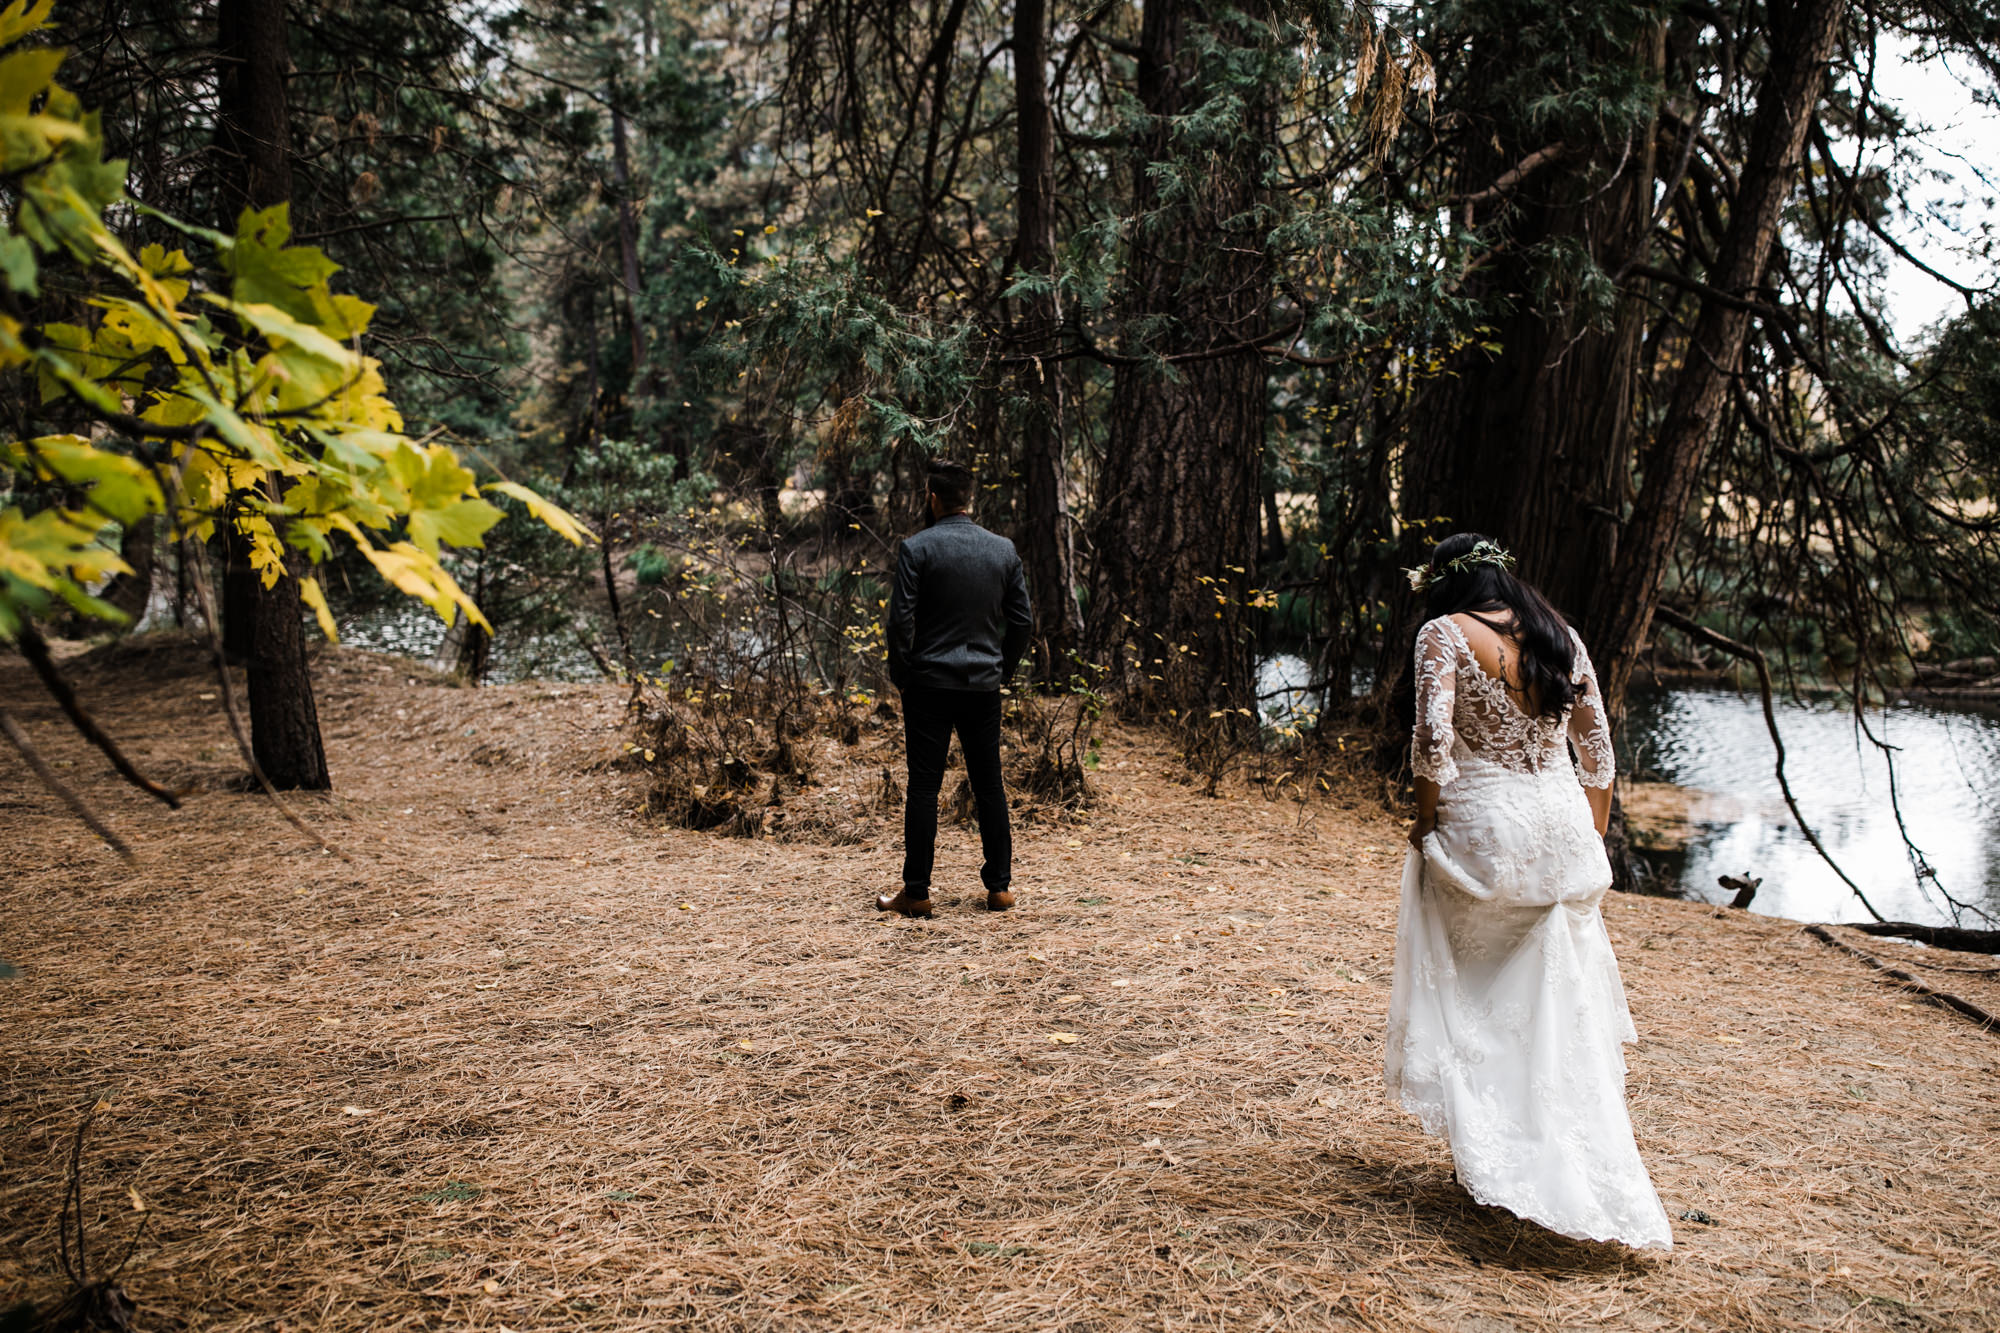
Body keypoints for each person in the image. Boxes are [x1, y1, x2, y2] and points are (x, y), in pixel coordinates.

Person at [1385, 532, 1673, 1251]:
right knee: (1552, 998)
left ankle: (1495, 1143)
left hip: (1489, 828)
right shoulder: (1559, 634)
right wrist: (1589, 837)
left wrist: (1425, 824)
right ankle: (1555, 1141)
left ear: (1444, 585)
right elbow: (1598, 751)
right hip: (1563, 830)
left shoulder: (1441, 633)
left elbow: (1432, 741)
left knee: (1472, 990)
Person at [876, 460, 1034, 917]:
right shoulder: (1002, 550)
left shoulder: (917, 548)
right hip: (982, 683)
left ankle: (918, 893)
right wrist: (1002, 670)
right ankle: (1000, 888)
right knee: (989, 784)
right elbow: (1022, 622)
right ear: (970, 498)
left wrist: (903, 675)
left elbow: (899, 622)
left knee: (924, 787)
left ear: (932, 497)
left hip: (927, 682)